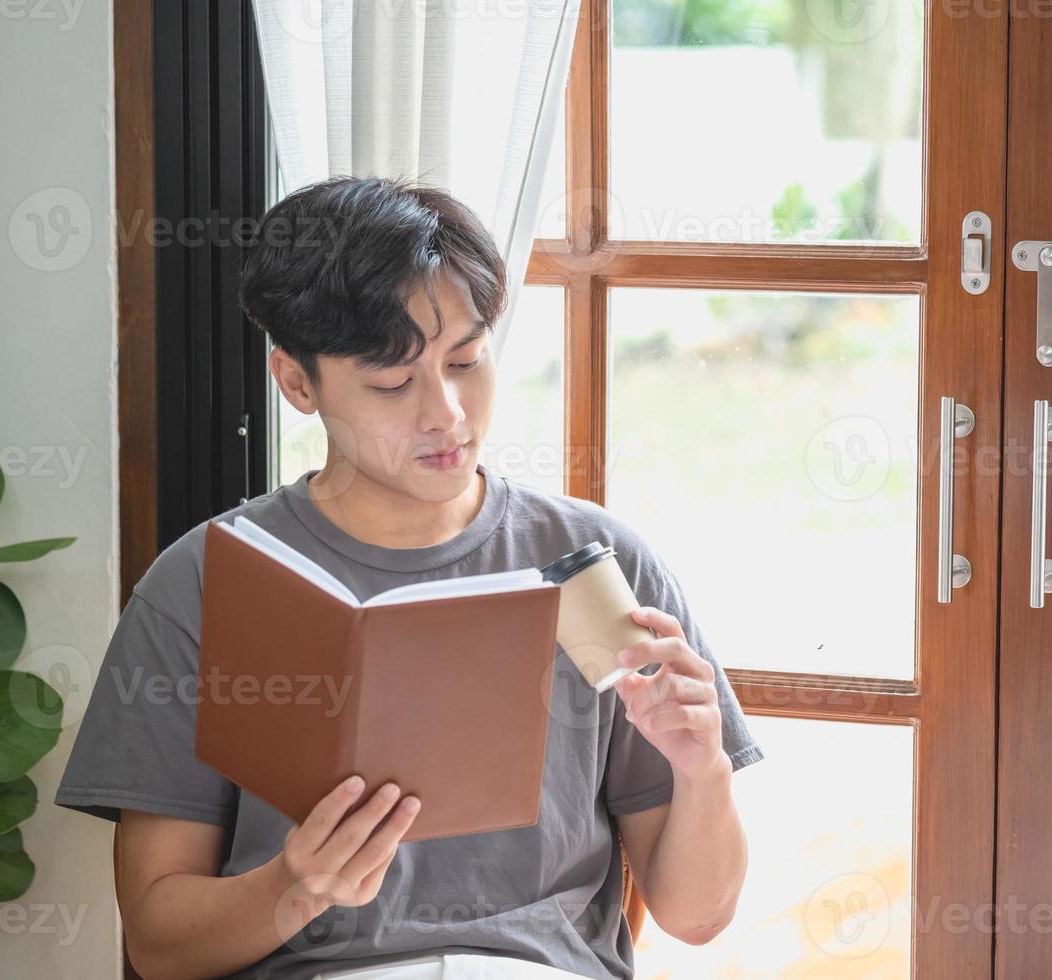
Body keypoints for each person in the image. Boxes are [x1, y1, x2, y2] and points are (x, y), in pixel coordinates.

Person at [55, 175, 766, 979]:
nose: (447, 415)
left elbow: (698, 917)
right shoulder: (201, 585)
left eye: (465, 361)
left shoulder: (600, 562)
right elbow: (157, 945)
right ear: (296, 383)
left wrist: (700, 767)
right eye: (392, 383)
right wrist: (293, 886)